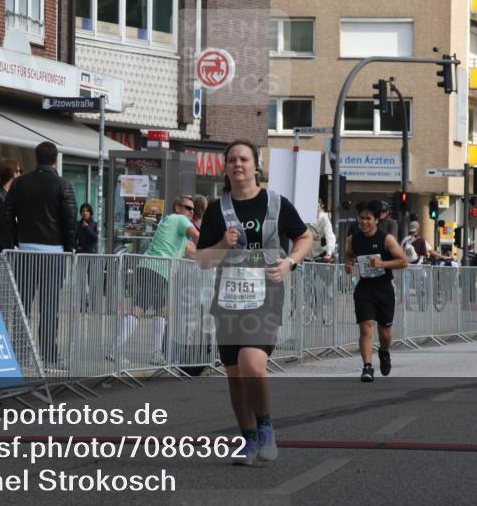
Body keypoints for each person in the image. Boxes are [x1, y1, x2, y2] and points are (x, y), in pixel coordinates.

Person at [195, 140, 312, 465]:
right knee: (234, 374)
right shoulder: (218, 209)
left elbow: (305, 237)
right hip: (229, 299)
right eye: (231, 160)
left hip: (266, 296)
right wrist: (221, 243)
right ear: (225, 167)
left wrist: (290, 262)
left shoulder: (276, 203)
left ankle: (265, 427)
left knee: (251, 364)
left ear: (256, 165)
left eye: (244, 159)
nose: (238, 164)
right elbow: (203, 261)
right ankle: (247, 440)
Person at [0, 142, 78, 368]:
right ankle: (49, 355)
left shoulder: (20, 183)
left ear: (36, 158)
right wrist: (70, 247)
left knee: (22, 305)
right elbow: (69, 219)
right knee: (49, 306)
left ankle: (21, 353)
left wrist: (12, 242)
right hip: (54, 253)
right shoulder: (63, 185)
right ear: (55, 160)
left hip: (25, 251)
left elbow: (7, 214)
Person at [110, 196, 199, 366]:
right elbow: (196, 236)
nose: (191, 212)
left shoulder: (170, 222)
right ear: (178, 207)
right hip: (156, 269)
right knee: (139, 308)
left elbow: (189, 251)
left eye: (193, 209)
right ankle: (115, 348)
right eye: (188, 208)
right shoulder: (179, 219)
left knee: (162, 310)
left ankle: (156, 353)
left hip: (154, 269)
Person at [344, 200, 409, 382]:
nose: (363, 222)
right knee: (366, 328)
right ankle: (367, 367)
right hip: (365, 288)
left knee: (385, 332)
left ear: (376, 220)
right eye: (361, 218)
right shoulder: (352, 238)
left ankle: (384, 351)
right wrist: (348, 264)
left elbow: (403, 261)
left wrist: (382, 264)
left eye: (368, 218)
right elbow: (349, 254)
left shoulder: (386, 239)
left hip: (384, 289)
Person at [308, 197, 336, 262]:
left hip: (320, 254)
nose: (315, 209)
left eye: (317, 206)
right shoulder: (305, 217)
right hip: (305, 254)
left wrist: (329, 253)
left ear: (320, 207)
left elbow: (329, 236)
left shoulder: (325, 219)